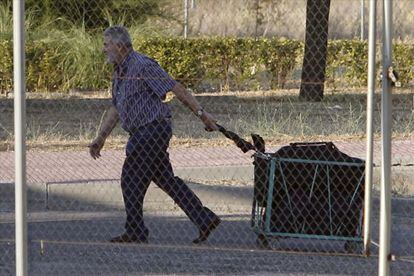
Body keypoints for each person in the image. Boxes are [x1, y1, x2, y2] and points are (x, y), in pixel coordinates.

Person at [88, 25, 221, 244]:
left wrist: (202, 114)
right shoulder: (119, 72)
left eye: (107, 44)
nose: (104, 49)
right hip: (143, 133)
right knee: (166, 180)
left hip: (152, 130)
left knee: (130, 179)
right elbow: (116, 107)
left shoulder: (142, 66)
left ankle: (136, 231)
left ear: (120, 46)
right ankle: (204, 219)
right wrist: (101, 137)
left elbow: (176, 88)